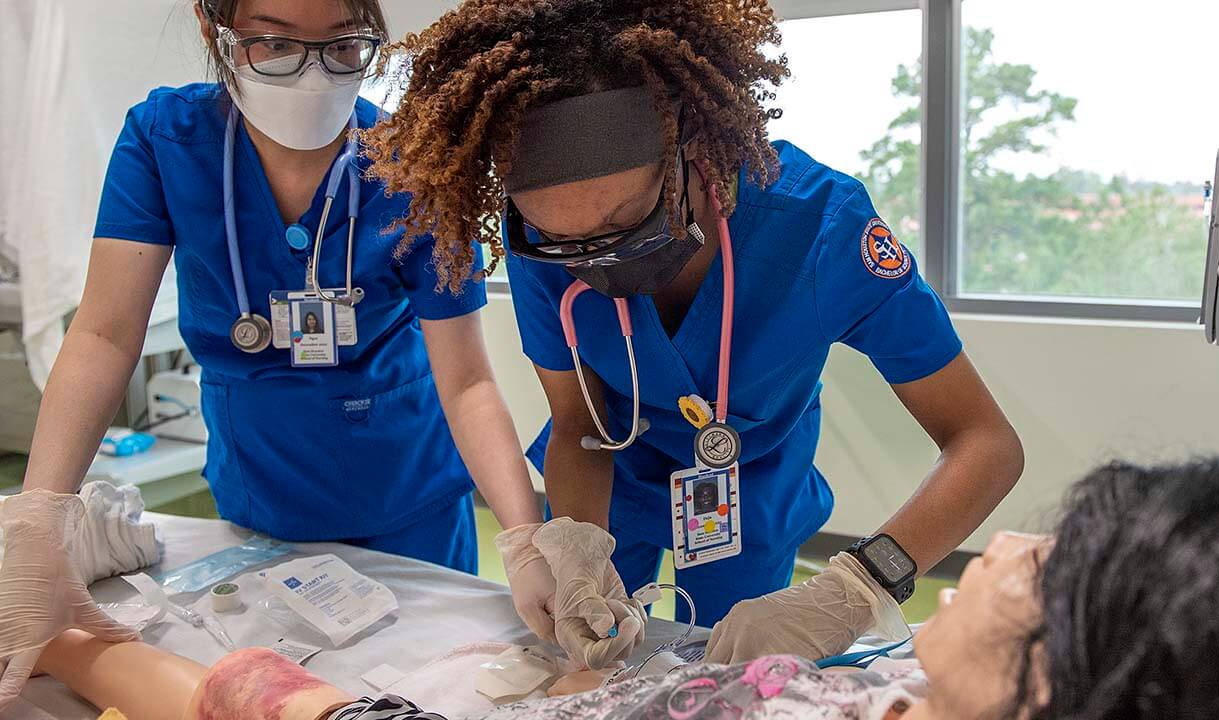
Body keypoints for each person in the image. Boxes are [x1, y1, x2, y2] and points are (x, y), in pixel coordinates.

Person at [361, 0, 1024, 665]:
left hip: (749, 483)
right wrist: (578, 553)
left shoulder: (822, 230)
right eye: (568, 241)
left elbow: (985, 442)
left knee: (735, 667)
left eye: (625, 218)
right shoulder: (545, 249)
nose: (597, 261)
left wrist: (860, 584)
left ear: (694, 146)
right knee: (599, 664)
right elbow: (578, 426)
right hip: (616, 474)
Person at [0, 0, 555, 706]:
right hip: (260, 488)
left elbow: (470, 381)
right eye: (274, 43)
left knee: (423, 689)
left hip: (403, 493)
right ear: (216, 30)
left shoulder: (417, 169)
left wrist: (525, 534)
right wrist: (40, 514)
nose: (312, 74)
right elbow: (105, 335)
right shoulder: (166, 140)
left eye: (344, 46)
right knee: (262, 688)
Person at [26, 458, 1219, 719]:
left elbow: (308, 715)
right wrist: (559, 557)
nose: (1001, 547)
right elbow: (565, 426)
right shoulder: (919, 687)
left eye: (1044, 568)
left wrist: (80, 645)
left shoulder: (819, 223)